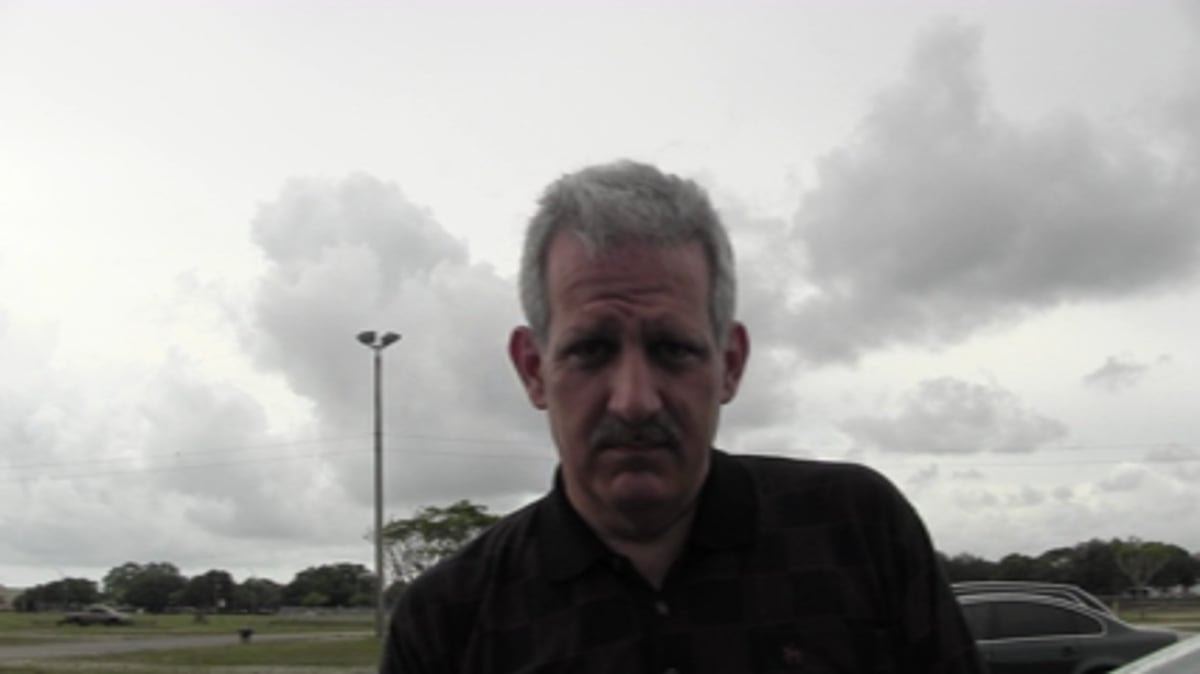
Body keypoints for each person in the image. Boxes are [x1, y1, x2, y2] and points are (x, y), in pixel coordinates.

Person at [381, 161, 982, 673]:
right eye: (592, 350)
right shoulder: (447, 622)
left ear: (731, 364)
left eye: (672, 349)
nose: (634, 400)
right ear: (533, 369)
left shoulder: (859, 531)